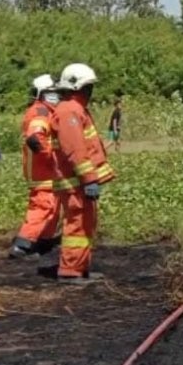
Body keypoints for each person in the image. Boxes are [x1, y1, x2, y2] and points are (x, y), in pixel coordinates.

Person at [51, 62, 116, 284]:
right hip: (75, 183)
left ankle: (80, 267)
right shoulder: (69, 111)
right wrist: (89, 178)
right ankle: (70, 271)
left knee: (85, 223)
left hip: (78, 181)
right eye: (88, 87)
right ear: (78, 87)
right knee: (77, 225)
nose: (91, 91)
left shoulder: (75, 110)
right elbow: (76, 150)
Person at [9, 74, 65, 262]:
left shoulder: (45, 111)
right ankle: (22, 245)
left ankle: (43, 242)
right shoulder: (40, 112)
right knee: (43, 207)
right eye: (54, 92)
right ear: (45, 93)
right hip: (43, 171)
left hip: (48, 172)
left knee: (53, 208)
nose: (58, 96)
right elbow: (35, 138)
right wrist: (51, 159)